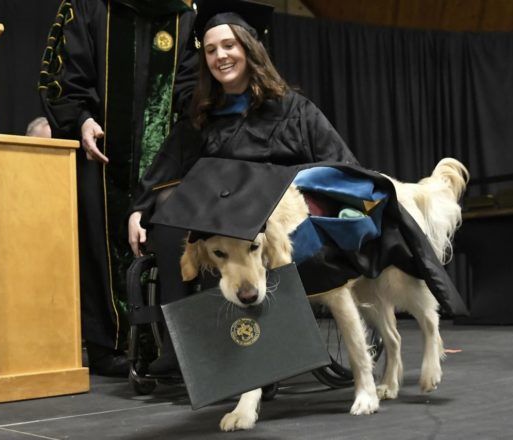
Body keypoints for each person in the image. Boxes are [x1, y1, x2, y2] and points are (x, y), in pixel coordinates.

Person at [127, 1, 358, 375]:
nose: (220, 56)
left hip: (276, 221)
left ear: (249, 48)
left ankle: (244, 351)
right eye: (211, 50)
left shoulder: (294, 110)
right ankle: (179, 344)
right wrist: (140, 209)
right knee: (169, 211)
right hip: (222, 222)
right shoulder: (203, 115)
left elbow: (339, 166)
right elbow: (166, 165)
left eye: (229, 45)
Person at [39, 0, 200, 376]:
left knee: (168, 238)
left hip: (165, 165)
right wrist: (81, 119)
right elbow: (62, 77)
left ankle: (167, 344)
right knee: (99, 241)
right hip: (99, 155)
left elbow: (193, 89)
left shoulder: (184, 16)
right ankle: (108, 344)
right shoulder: (88, 6)